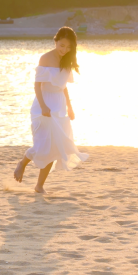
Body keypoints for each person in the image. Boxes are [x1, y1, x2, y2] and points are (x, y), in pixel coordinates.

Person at [13, 26, 89, 193]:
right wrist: (43, 106)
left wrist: (70, 107)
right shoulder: (45, 59)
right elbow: (37, 86)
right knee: (42, 144)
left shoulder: (67, 60)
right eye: (62, 45)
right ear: (55, 41)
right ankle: (22, 164)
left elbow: (62, 87)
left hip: (59, 105)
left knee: (54, 147)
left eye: (69, 47)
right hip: (43, 103)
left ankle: (39, 185)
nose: (65, 50)